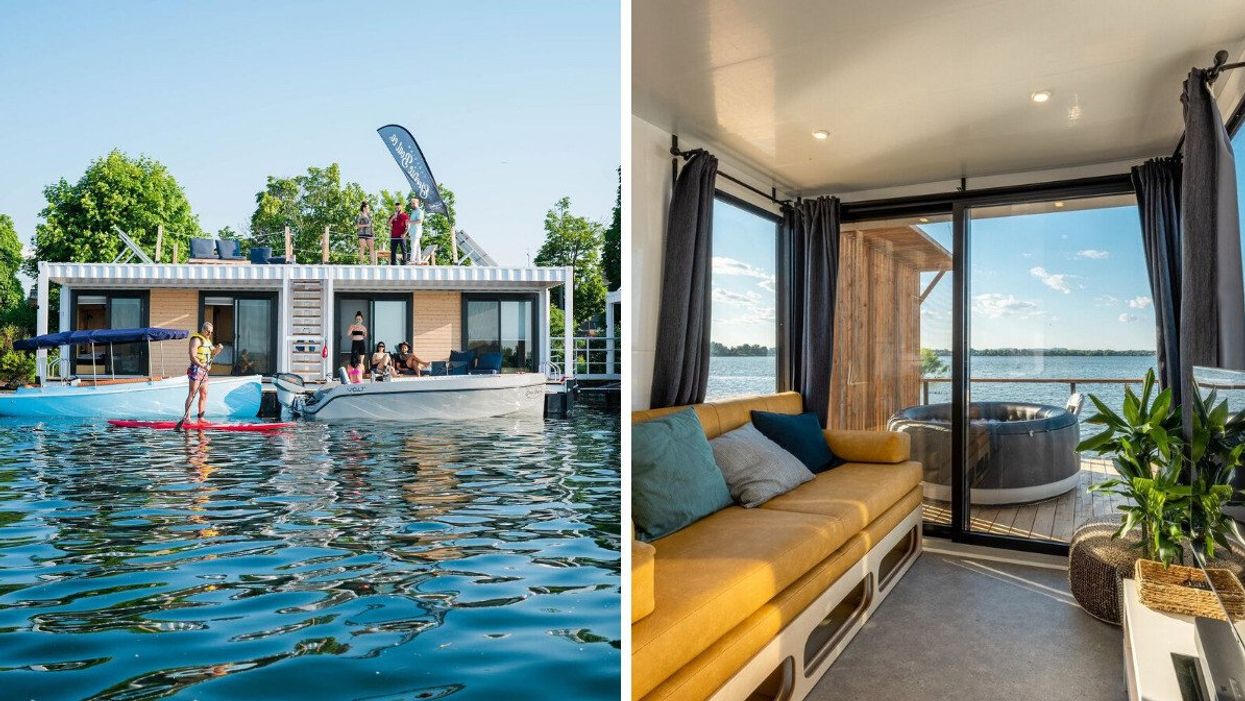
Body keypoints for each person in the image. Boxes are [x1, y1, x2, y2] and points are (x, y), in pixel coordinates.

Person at [176, 322, 223, 430]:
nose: (209, 334)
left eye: (211, 332)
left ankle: (201, 417)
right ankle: (187, 418)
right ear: (203, 329)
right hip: (196, 369)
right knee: (192, 394)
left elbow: (213, 352)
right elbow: (192, 356)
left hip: (204, 370)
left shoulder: (207, 341)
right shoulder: (196, 340)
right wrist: (203, 366)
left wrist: (218, 349)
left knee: (204, 394)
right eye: (208, 331)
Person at [388, 201, 409, 265]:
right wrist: (393, 217)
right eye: (396, 208)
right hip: (394, 235)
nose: (397, 209)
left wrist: (404, 234)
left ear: (401, 207)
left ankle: (404, 262)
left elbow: (408, 226)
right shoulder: (393, 215)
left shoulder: (405, 215)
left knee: (404, 250)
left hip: (402, 235)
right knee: (393, 250)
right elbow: (388, 224)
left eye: (398, 208)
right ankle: (393, 263)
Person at [408, 196, 425, 264]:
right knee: (417, 247)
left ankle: (412, 260)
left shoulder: (419, 211)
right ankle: (418, 260)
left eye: (413, 203)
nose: (412, 205)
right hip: (412, 232)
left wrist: (410, 222)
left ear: (417, 203)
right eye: (411, 203)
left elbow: (420, 221)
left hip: (416, 232)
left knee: (413, 246)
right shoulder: (413, 212)